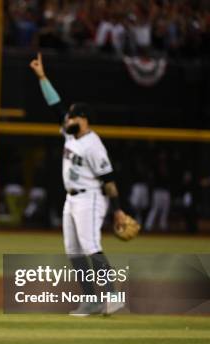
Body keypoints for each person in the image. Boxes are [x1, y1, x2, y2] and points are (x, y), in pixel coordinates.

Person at [29, 52, 128, 317]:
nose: (67, 120)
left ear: (83, 118)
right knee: (73, 250)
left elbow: (109, 180)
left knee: (90, 246)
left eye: (71, 117)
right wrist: (42, 77)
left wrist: (117, 209)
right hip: (71, 199)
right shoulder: (71, 134)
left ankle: (112, 297)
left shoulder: (94, 145)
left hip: (91, 198)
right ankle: (91, 300)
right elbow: (56, 106)